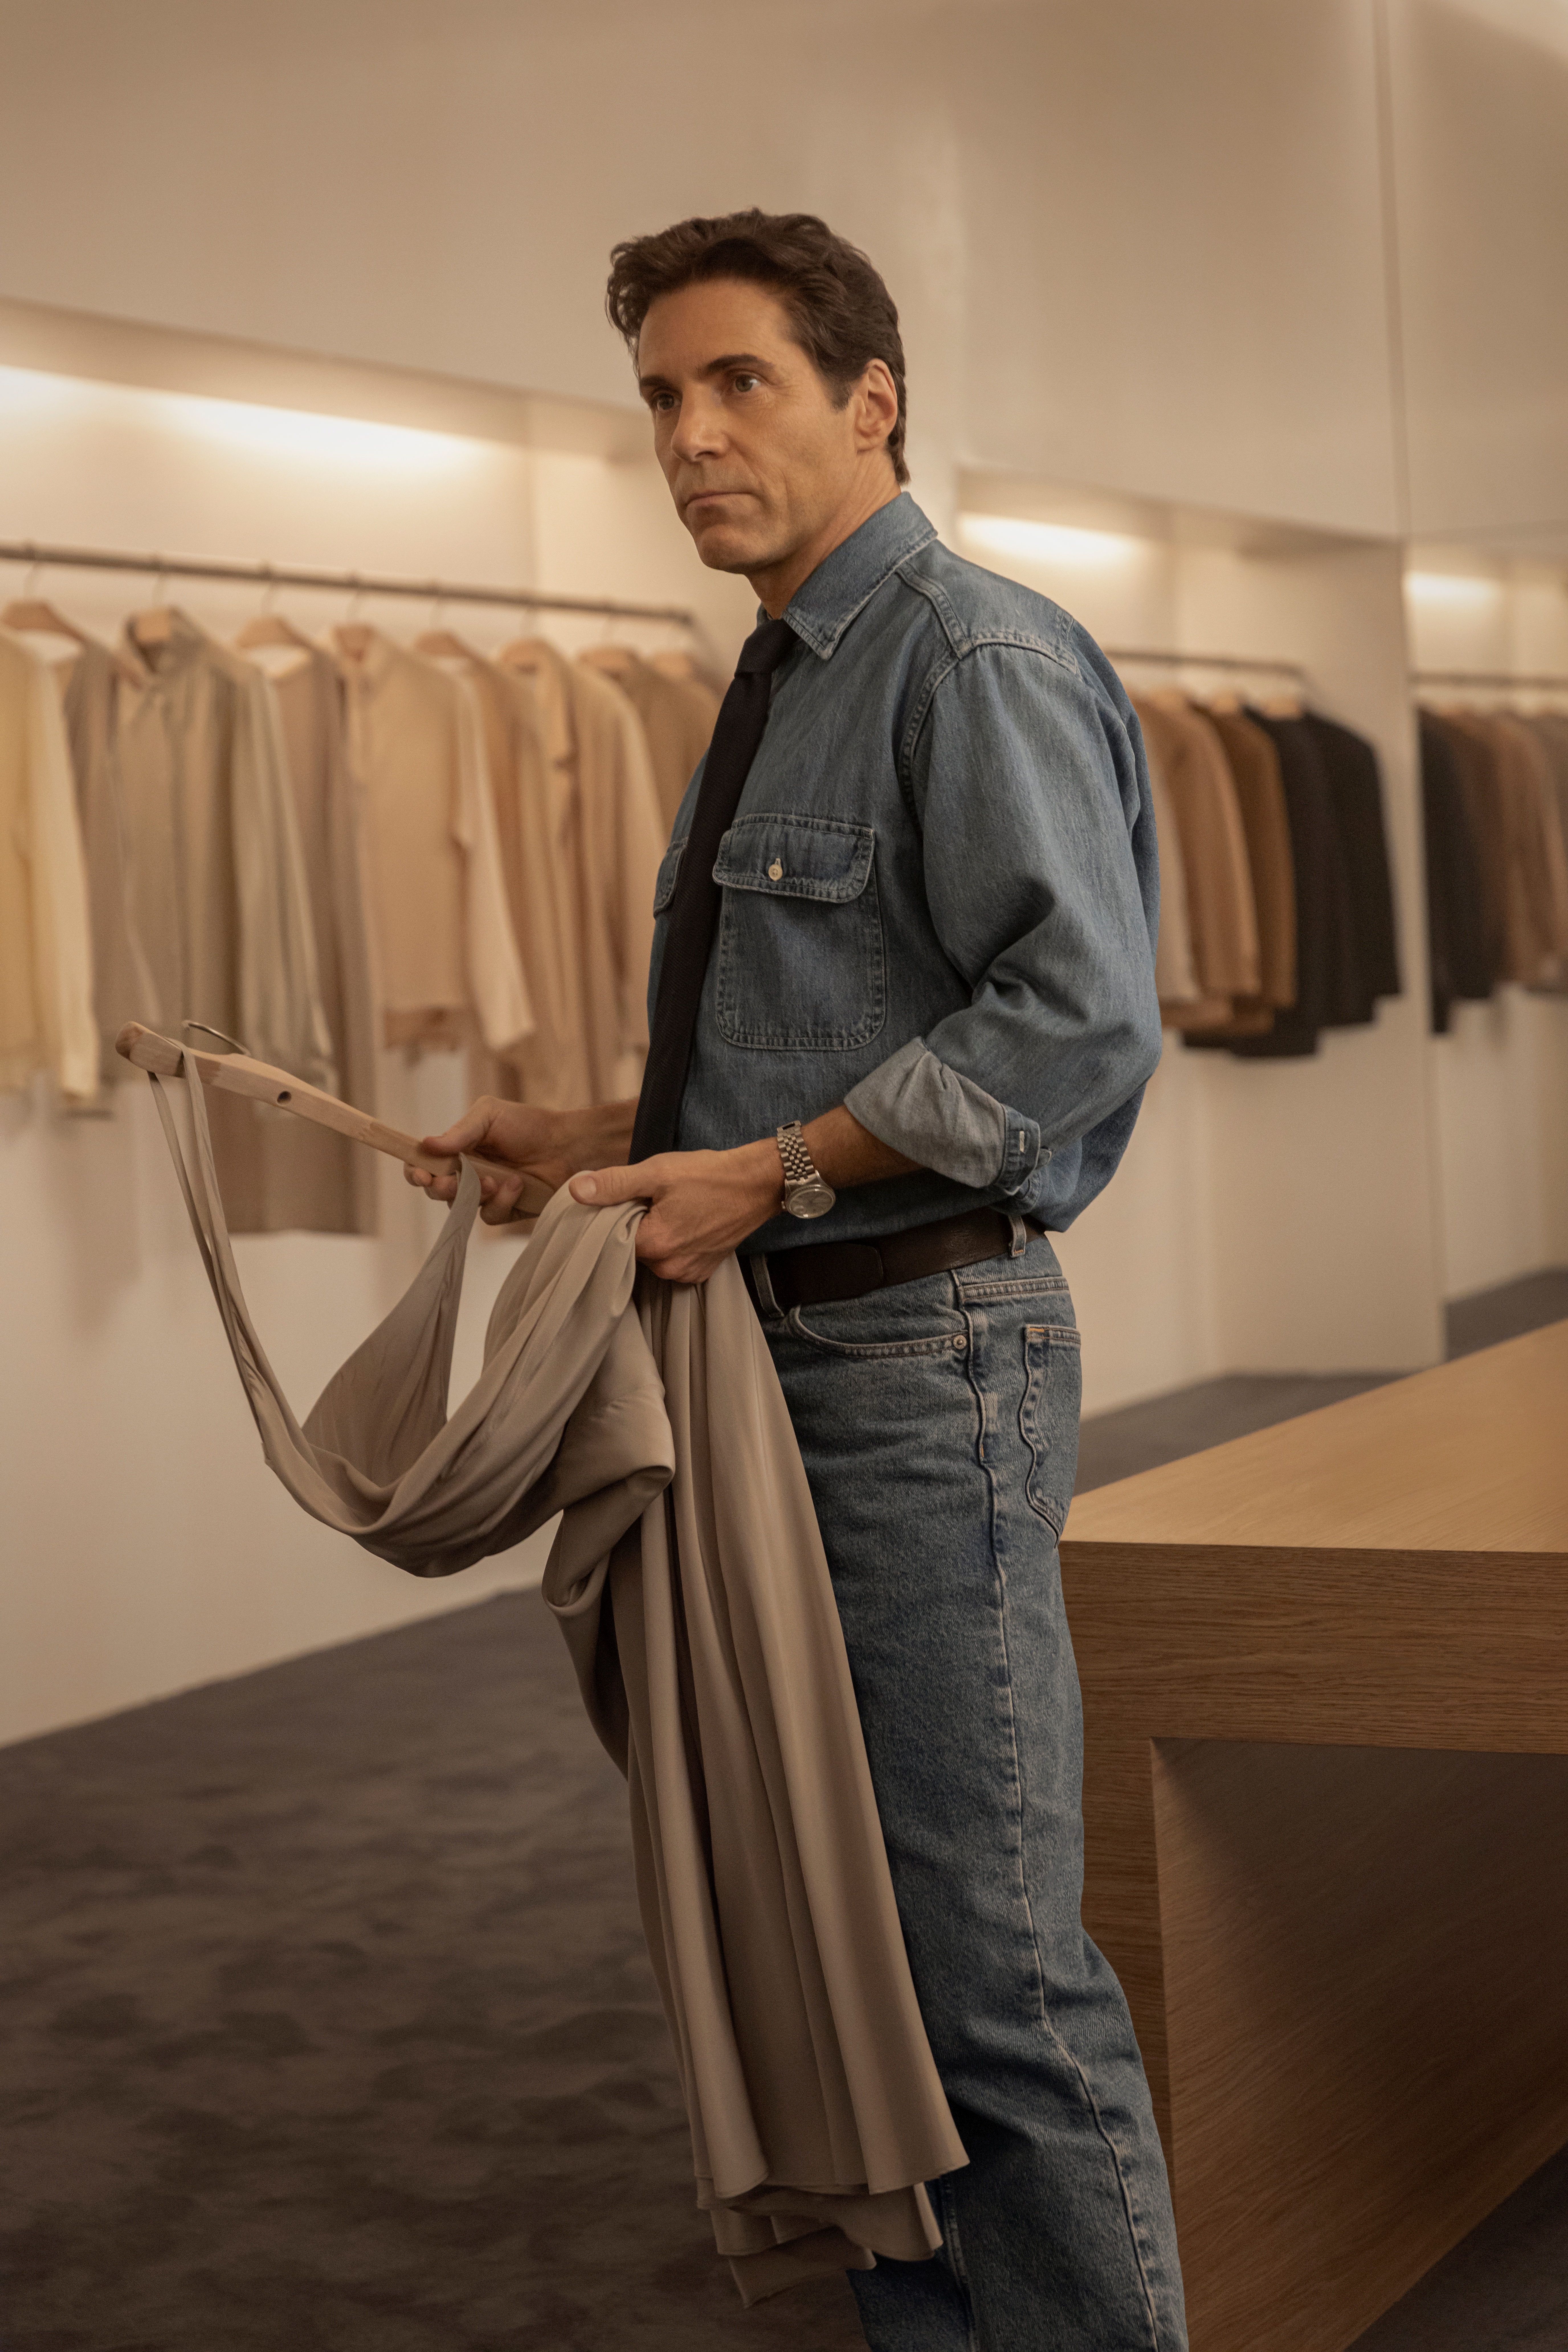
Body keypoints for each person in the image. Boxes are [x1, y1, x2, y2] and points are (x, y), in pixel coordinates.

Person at [409, 209, 1185, 2352]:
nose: (690, 435)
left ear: (874, 397)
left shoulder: (974, 657)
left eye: (740, 382)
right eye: (663, 396)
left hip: (920, 1372)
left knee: (991, 1977)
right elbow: (841, 1023)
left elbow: (1073, 1023)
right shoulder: (785, 677)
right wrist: (595, 1130)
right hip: (783, 1368)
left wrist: (768, 1172)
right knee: (834, 1962)